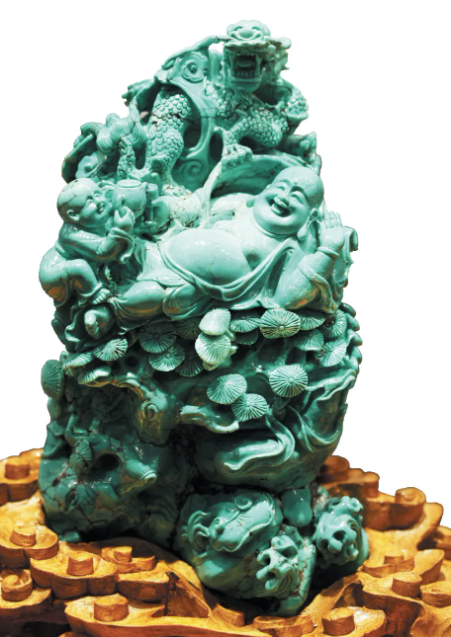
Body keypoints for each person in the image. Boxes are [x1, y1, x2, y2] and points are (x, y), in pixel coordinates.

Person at [39, 178, 135, 314]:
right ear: (74, 215)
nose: (98, 202)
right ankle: (93, 294)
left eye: (97, 194)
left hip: (74, 261)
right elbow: (101, 251)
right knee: (80, 267)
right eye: (89, 202)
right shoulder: (72, 234)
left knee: (86, 266)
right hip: (52, 273)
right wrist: (120, 229)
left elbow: (109, 208)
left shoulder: (92, 218)